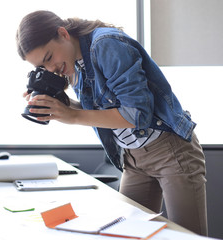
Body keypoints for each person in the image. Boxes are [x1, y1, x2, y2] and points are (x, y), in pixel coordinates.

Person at [16, 10, 208, 236]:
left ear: (63, 34)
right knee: (126, 233)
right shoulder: (76, 63)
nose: (51, 69)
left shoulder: (105, 44)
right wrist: (60, 106)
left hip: (170, 152)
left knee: (188, 237)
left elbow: (137, 114)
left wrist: (73, 116)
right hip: (133, 158)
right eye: (42, 66)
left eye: (49, 58)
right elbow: (102, 109)